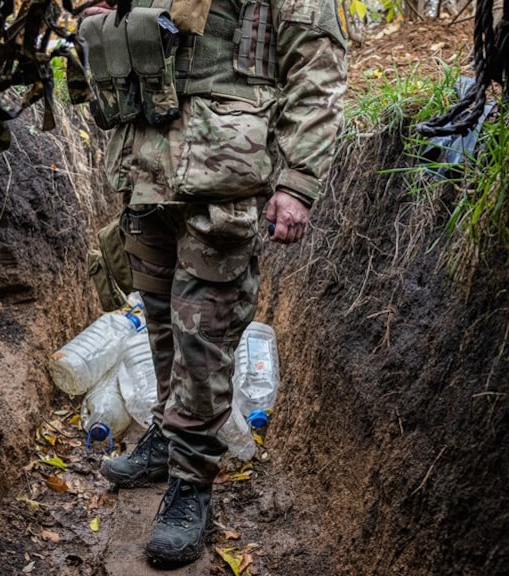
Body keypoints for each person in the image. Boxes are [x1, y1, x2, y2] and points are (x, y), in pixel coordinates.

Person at [77, 0, 348, 566]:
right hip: (143, 166)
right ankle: (167, 437)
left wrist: (297, 182)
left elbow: (318, 66)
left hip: (224, 175)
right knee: (157, 319)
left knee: (202, 335)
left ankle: (191, 484)